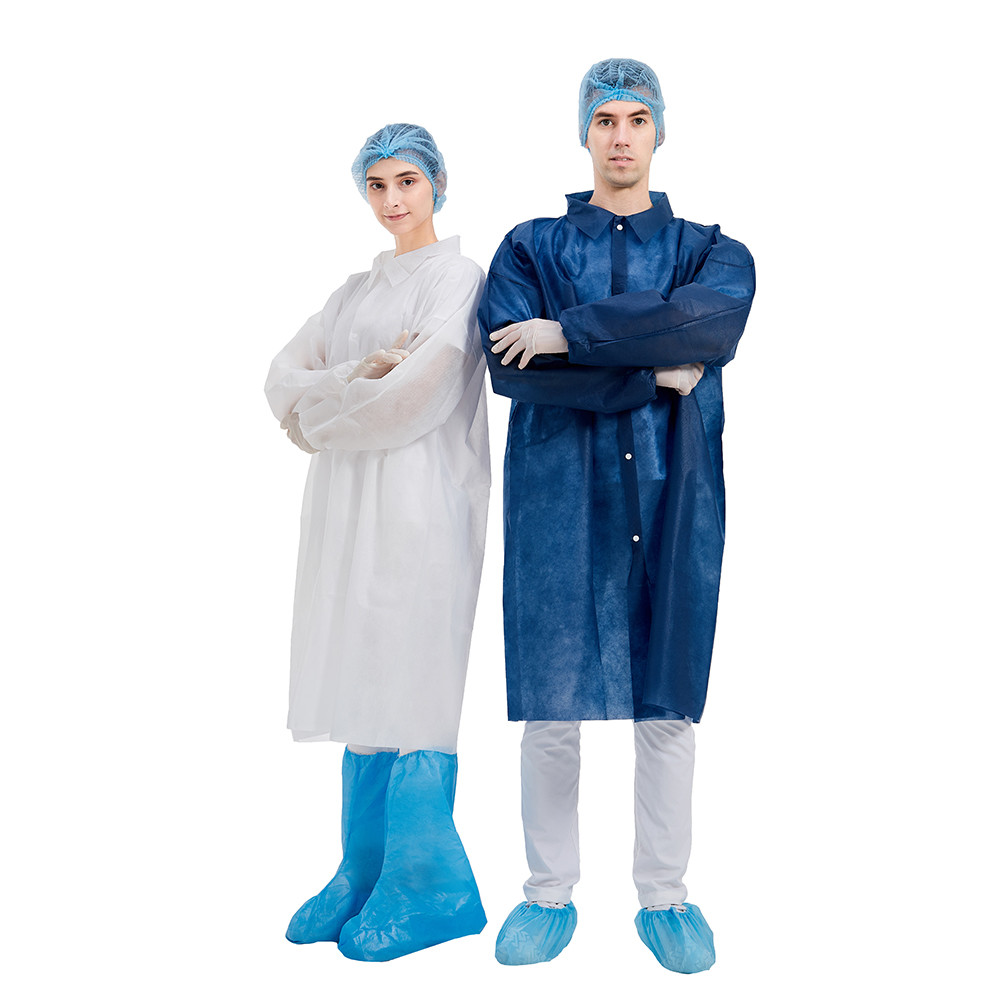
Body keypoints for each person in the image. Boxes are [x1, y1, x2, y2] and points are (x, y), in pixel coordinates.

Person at [478, 59, 755, 973]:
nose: (622, 136)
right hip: (560, 497)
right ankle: (546, 895)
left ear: (660, 130)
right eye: (606, 120)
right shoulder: (529, 249)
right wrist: (650, 371)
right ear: (585, 133)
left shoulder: (712, 253)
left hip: (675, 494)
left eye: (637, 118)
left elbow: (711, 321)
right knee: (551, 708)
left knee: (666, 704)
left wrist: (572, 334)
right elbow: (511, 367)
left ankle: (664, 898)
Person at [265, 123, 490, 962]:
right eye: (377, 185)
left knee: (412, 673)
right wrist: (346, 380)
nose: (394, 199)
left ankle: (432, 885)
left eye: (408, 181)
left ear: (438, 184)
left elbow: (416, 394)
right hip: (348, 506)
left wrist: (320, 416)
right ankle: (364, 868)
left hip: (422, 504)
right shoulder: (353, 294)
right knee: (361, 670)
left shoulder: (457, 279)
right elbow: (279, 378)